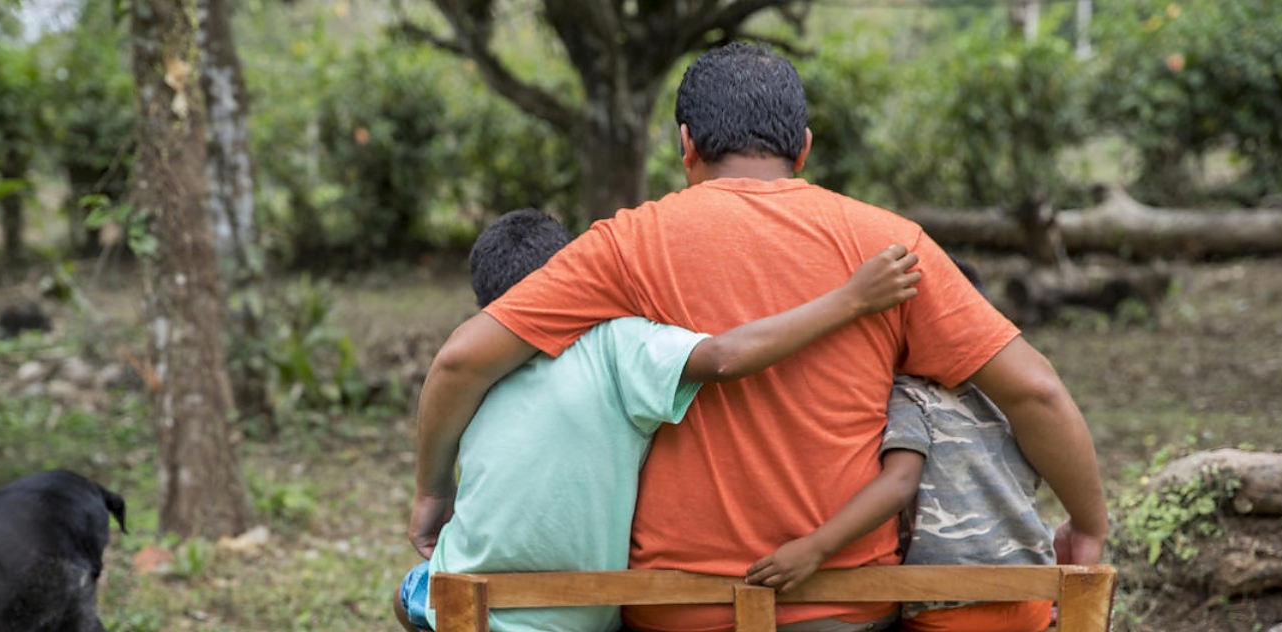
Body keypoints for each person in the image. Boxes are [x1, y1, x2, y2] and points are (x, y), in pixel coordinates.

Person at [411, 42, 1108, 632]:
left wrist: (432, 496)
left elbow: (462, 362)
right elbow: (1036, 392)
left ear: (685, 145)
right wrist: (1087, 524)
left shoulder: (627, 244)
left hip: (674, 610)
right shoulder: (890, 247)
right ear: (802, 147)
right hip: (843, 604)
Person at [396, 208, 921, 632]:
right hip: (585, 615)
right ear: (571, 279)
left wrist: (431, 496)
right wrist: (852, 300)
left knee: (409, 597)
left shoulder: (475, 374)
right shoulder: (615, 344)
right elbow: (723, 357)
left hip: (463, 602)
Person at [747, 259, 1057, 632]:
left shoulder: (910, 396)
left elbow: (899, 482)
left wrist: (813, 548)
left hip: (950, 599)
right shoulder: (1008, 400)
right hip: (1031, 592)